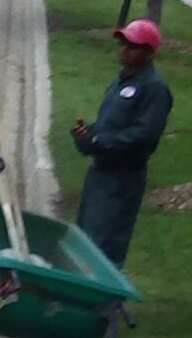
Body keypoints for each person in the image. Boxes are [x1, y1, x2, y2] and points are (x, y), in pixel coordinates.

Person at [71, 20, 174, 264]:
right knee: (83, 236)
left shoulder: (154, 88)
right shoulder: (120, 82)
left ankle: (106, 301)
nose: (125, 49)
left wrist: (100, 141)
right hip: (99, 173)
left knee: (104, 243)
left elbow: (144, 135)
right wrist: (87, 134)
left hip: (122, 179)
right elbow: (109, 124)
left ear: (150, 53)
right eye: (123, 43)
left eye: (134, 46)